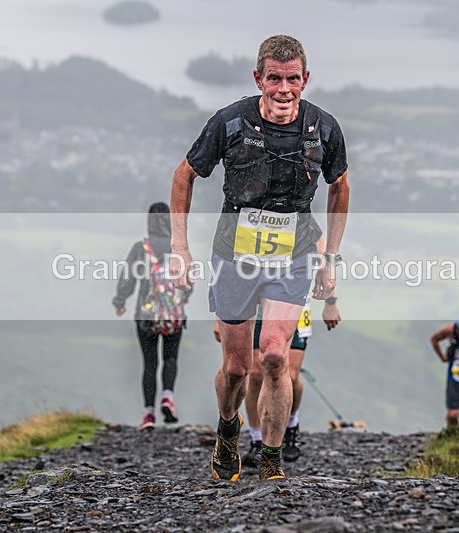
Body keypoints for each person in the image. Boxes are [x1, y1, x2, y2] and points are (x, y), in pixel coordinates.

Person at [169, 35, 350, 481]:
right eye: (274, 78)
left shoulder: (323, 128)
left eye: (292, 79)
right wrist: (180, 249)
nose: (284, 88)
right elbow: (183, 175)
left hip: (295, 254)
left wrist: (331, 260)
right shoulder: (230, 123)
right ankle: (228, 430)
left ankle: (271, 458)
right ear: (259, 78)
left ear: (305, 80)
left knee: (273, 356)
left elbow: (340, 187)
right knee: (236, 367)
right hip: (235, 255)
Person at [214, 227, 342, 468]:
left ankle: (290, 425)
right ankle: (255, 439)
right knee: (252, 374)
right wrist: (220, 318)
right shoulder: (249, 211)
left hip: (294, 300)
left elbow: (325, 261)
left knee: (290, 374)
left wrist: (331, 301)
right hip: (255, 302)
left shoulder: (303, 218)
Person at [113, 202, 190, 430]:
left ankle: (148, 415)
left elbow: (128, 278)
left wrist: (120, 301)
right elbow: (188, 283)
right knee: (171, 358)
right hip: (173, 315)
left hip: (145, 315)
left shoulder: (141, 248)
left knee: (149, 363)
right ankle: (168, 397)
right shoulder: (178, 249)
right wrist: (179, 300)